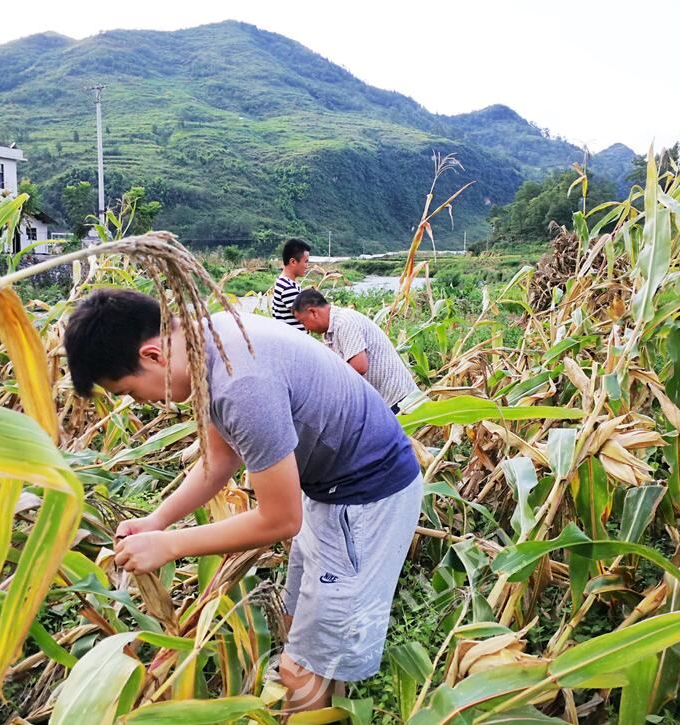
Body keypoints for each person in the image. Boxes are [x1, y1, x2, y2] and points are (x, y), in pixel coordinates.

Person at [63, 289, 422, 712]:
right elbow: (218, 460)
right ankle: (320, 698)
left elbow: (279, 521)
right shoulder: (210, 344)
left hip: (366, 499)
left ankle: (315, 705)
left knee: (303, 668)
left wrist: (171, 545)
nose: (140, 402)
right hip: (328, 489)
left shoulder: (242, 385)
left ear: (153, 355)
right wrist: (157, 521)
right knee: (297, 624)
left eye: (127, 391)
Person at [292, 289, 421, 414]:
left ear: (313, 312)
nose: (306, 328)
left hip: (398, 400)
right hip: (383, 400)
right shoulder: (330, 331)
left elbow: (359, 366)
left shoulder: (344, 322)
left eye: (303, 322)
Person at [272, 238, 311, 332]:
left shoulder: (286, 283)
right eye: (305, 261)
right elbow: (309, 317)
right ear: (293, 262)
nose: (307, 266)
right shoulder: (287, 288)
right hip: (294, 343)